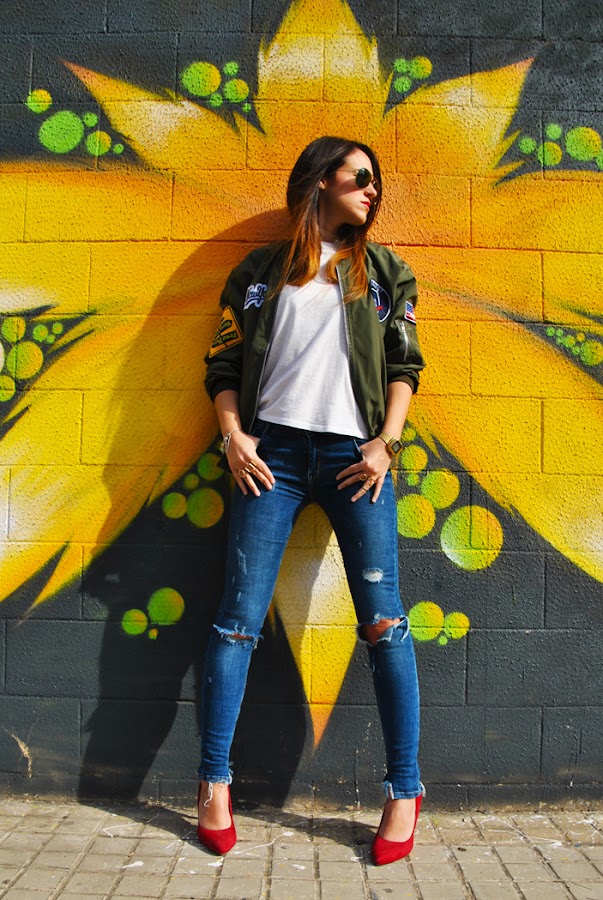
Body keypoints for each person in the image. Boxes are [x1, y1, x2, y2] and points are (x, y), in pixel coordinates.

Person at [199, 136, 426, 866]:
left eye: (375, 182)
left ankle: (404, 790)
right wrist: (234, 438)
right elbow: (222, 363)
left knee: (385, 624)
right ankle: (213, 783)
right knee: (236, 623)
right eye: (360, 176)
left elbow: (404, 365)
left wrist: (386, 443)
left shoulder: (383, 273)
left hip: (355, 459)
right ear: (320, 180)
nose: (371, 189)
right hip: (271, 459)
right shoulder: (258, 273)